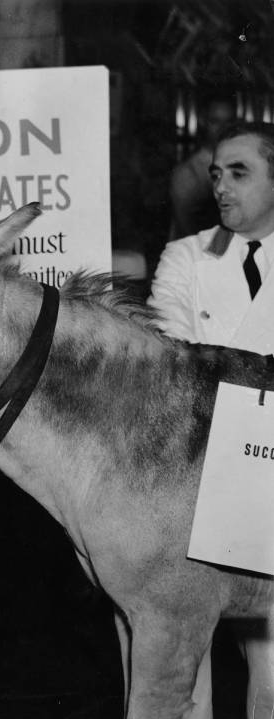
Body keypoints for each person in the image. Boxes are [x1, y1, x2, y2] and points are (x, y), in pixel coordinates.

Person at [148, 120, 274, 718]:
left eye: (240, 172)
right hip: (192, 483)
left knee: (272, 674)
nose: (221, 186)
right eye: (216, 174)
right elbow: (169, 357)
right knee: (182, 672)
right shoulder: (187, 256)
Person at [169, 93, 236, 240]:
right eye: (215, 121)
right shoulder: (187, 172)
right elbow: (189, 231)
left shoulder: (239, 166)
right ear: (203, 121)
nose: (222, 128)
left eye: (228, 122)